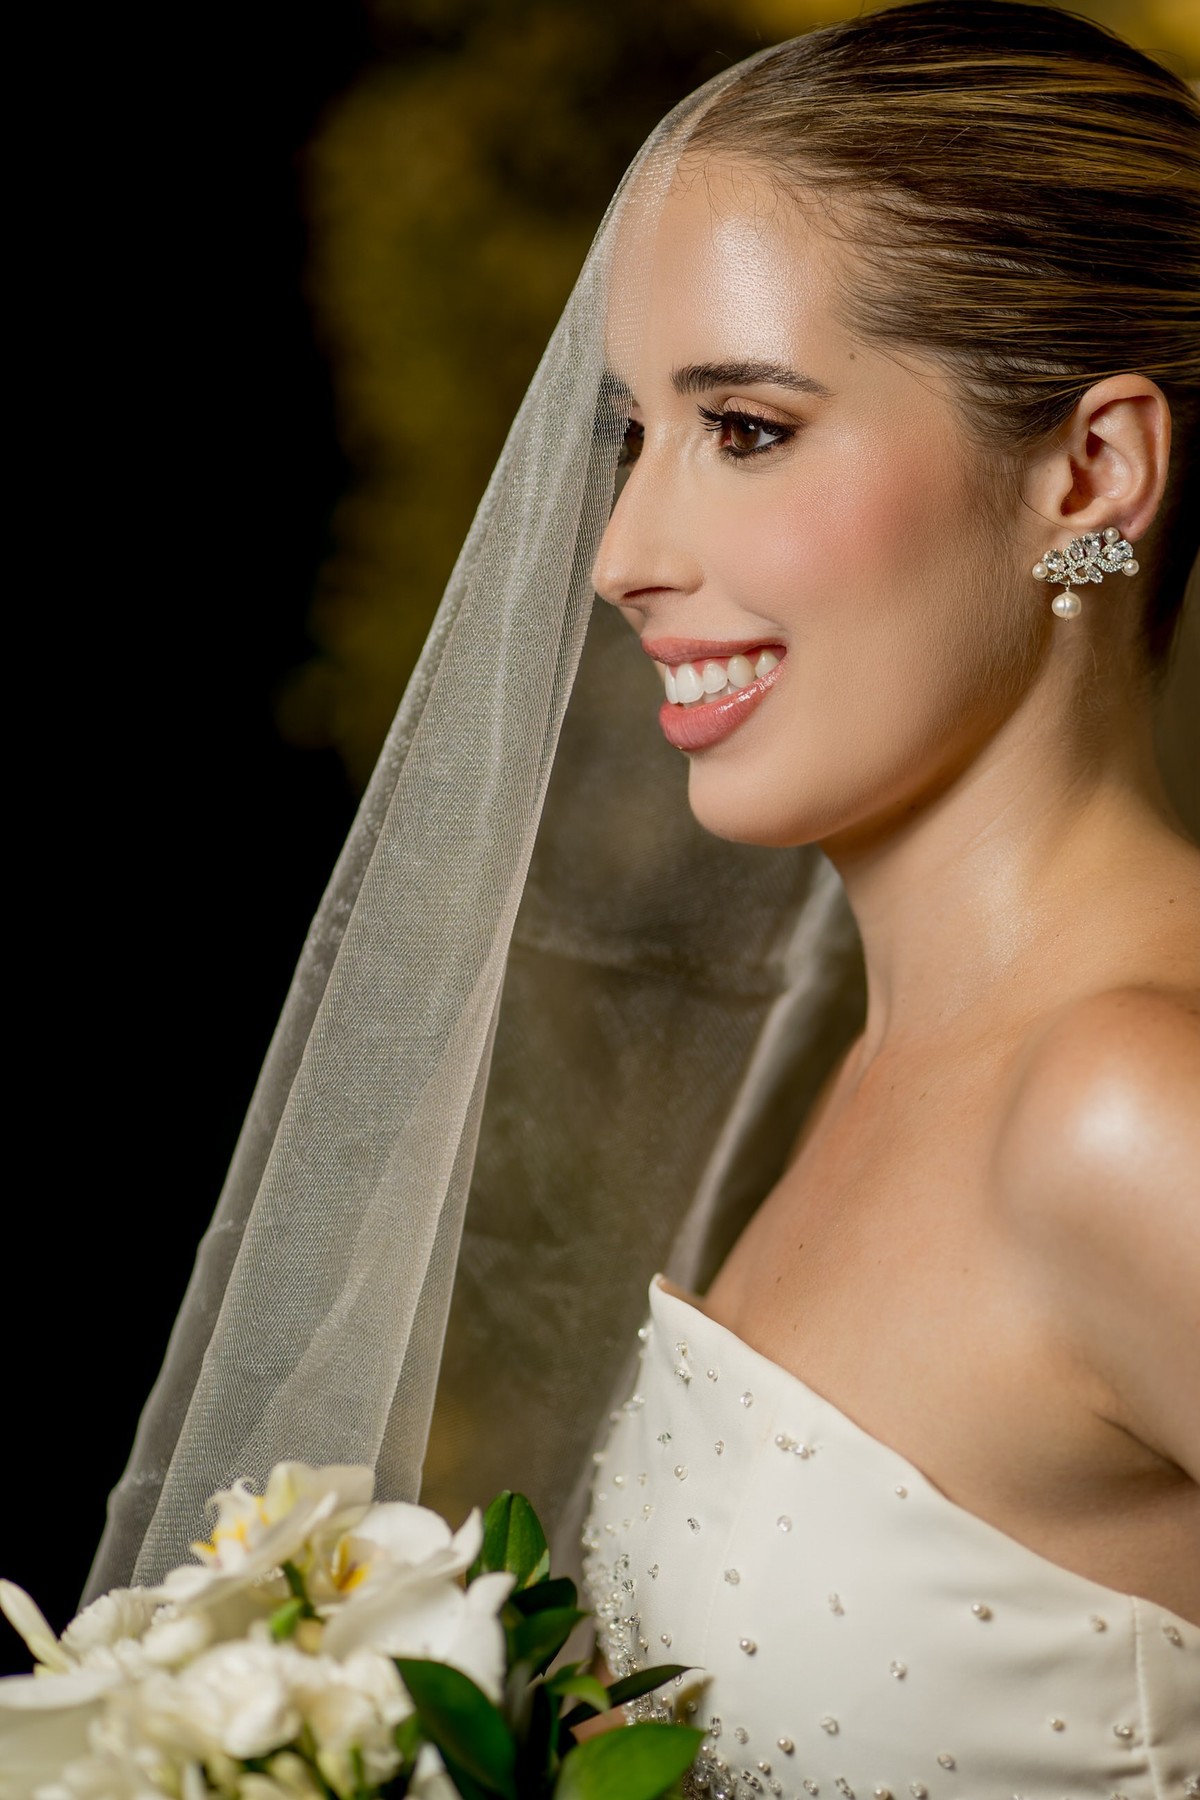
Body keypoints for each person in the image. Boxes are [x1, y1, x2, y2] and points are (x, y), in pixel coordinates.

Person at [87, 2, 1197, 1793]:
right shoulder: (888, 1070)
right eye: (631, 438)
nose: (619, 556)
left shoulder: (1134, 1119)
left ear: (1092, 472)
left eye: (745, 427)